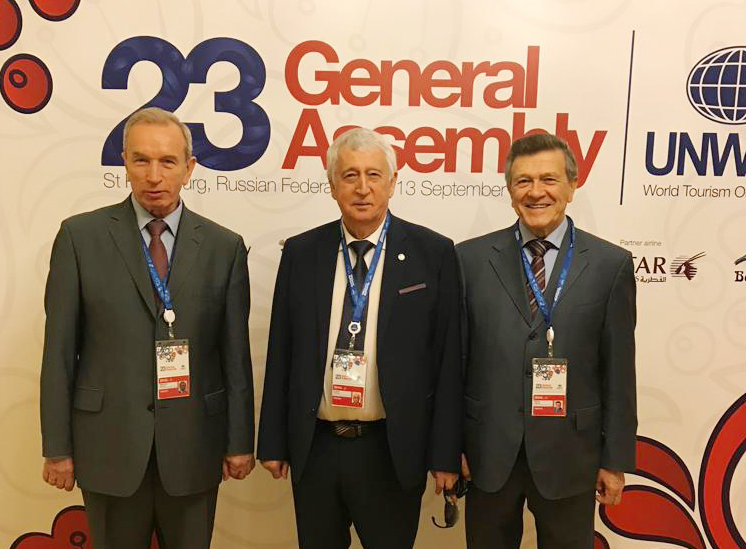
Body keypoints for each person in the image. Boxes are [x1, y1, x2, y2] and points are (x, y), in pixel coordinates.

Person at [40, 107, 255, 548]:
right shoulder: (80, 238)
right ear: (124, 162)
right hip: (108, 446)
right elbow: (59, 352)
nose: (154, 175)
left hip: (195, 448)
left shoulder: (224, 247)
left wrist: (239, 441)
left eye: (167, 161)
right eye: (141, 160)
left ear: (189, 168)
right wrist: (57, 447)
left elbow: (235, 356)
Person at [257, 127, 462, 548]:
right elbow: (281, 351)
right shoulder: (301, 252)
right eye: (350, 175)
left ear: (393, 181)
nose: (363, 187)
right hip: (316, 448)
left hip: (391, 449)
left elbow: (448, 359)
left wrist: (445, 453)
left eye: (374, 174)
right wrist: (273, 441)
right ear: (333, 185)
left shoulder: (434, 253)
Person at [457, 133, 637, 548]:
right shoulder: (468, 259)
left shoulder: (610, 264)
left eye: (549, 179)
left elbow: (619, 371)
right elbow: (456, 362)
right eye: (523, 181)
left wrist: (615, 460)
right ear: (509, 190)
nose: (536, 192)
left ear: (572, 186)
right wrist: (450, 449)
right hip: (488, 452)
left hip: (572, 454)